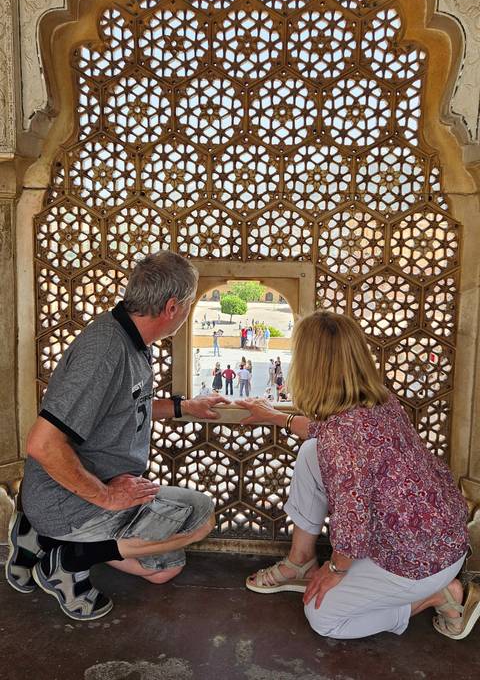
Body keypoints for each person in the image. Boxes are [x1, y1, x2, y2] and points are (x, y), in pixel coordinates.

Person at [6, 251, 229, 623]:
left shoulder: (130, 336)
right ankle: (65, 558)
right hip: (70, 498)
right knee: (201, 518)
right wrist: (107, 496)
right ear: (173, 307)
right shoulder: (106, 351)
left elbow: (126, 404)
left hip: (82, 491)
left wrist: (183, 407)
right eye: (190, 304)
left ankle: (40, 536)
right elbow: (42, 444)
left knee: (165, 567)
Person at [236, 311, 478, 641]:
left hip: (417, 564)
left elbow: (352, 527)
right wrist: (276, 417)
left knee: (322, 615)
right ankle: (300, 561)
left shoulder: (342, 439)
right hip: (444, 541)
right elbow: (327, 433)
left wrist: (336, 570)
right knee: (311, 451)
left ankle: (438, 598)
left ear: (310, 366)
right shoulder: (381, 402)